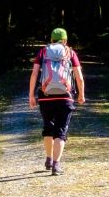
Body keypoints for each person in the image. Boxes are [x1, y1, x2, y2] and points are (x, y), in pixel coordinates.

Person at [28, 27, 87, 175]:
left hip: (46, 96)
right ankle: (56, 164)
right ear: (65, 40)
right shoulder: (70, 52)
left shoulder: (43, 52)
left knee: (48, 128)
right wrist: (81, 94)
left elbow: (35, 74)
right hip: (65, 96)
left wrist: (31, 95)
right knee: (60, 131)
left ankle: (48, 158)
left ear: (52, 40)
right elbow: (79, 77)